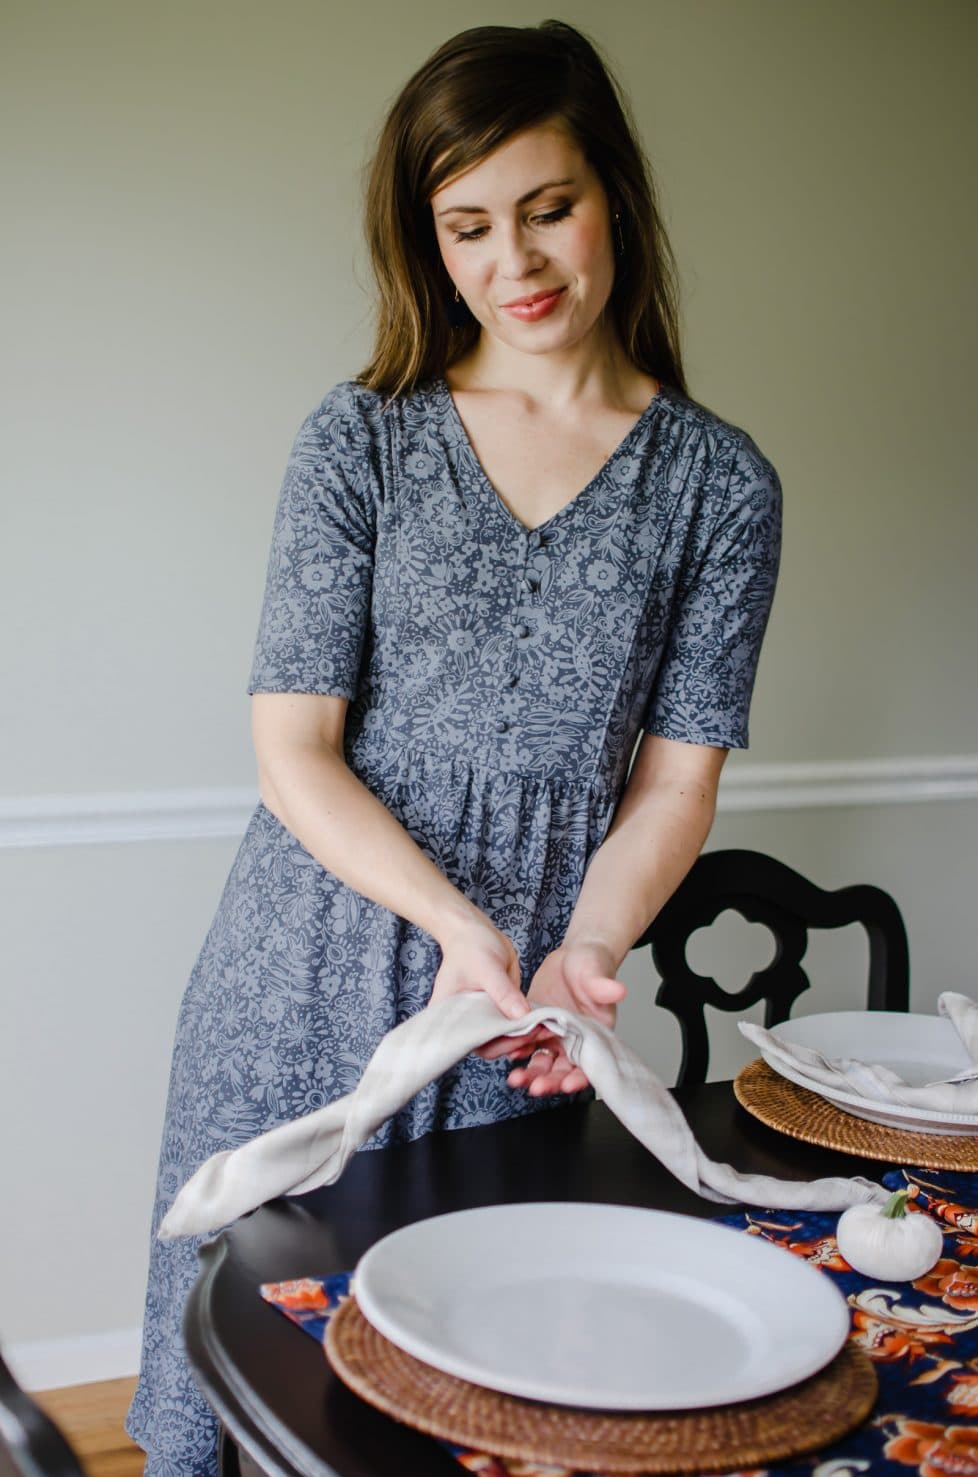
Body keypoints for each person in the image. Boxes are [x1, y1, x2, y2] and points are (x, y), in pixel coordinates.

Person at [127, 18, 781, 1474]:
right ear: (428, 242)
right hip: (301, 973)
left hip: (520, 1019)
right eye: (468, 225)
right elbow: (293, 749)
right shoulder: (357, 440)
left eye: (548, 207)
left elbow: (677, 779)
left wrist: (583, 951)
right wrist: (454, 923)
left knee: (475, 1398)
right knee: (243, 1399)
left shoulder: (718, 485)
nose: (516, 262)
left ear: (614, 191)